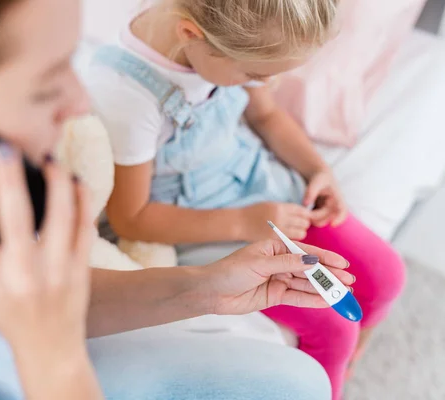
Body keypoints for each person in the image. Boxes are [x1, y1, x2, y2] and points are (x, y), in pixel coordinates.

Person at [0, 0, 354, 399]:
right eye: (46, 87)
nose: (81, 102)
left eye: (70, 61)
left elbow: (54, 299)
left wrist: (207, 287)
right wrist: (55, 359)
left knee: (298, 382)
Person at [85, 0, 407, 398]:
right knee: (333, 325)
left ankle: (353, 357)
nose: (264, 83)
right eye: (256, 75)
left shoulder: (237, 37)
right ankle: (333, 382)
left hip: (260, 190)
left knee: (386, 274)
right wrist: (243, 222)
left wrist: (317, 170)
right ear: (191, 35)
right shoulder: (127, 96)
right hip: (204, 228)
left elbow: (266, 117)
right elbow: (130, 219)